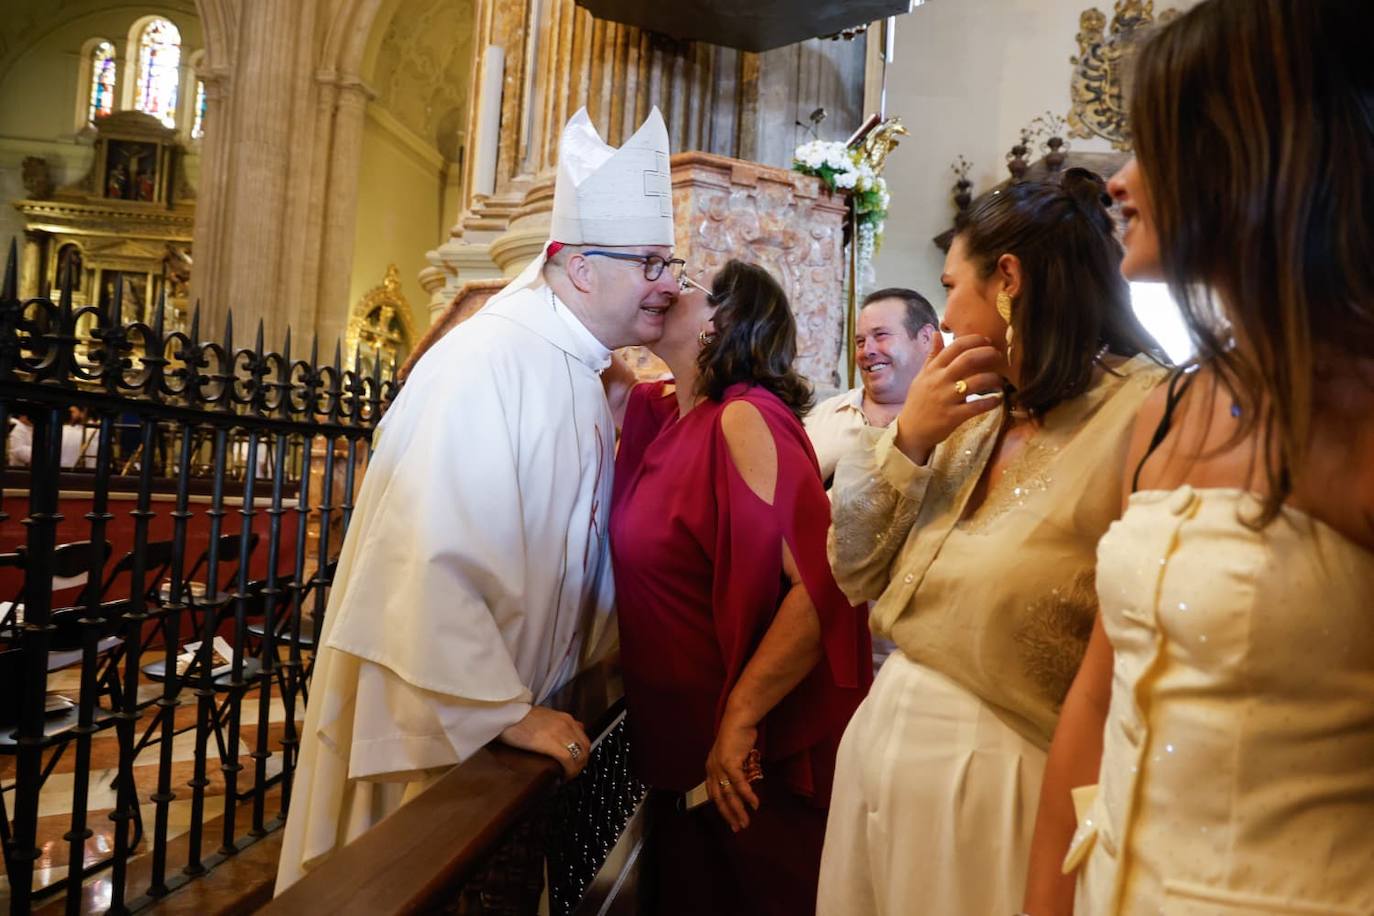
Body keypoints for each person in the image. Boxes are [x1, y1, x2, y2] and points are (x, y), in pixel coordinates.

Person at [1022, 2, 1374, 913]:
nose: (1121, 182)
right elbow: (1099, 701)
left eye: (1156, 148)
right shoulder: (1169, 410)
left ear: (1258, 157)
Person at [275, 107, 680, 892]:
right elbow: (424, 553)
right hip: (441, 732)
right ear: (582, 266)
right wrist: (503, 709)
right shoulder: (491, 361)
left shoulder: (576, 367)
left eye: (670, 264)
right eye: (651, 264)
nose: (667, 286)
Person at [816, 169, 1168, 915]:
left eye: (950, 287)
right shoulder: (971, 409)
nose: (942, 316)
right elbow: (853, 568)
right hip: (885, 748)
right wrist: (907, 438)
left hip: (1004, 780)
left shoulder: (1144, 413)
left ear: (1007, 279)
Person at [604, 259, 871, 916]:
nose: (669, 288)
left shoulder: (746, 417)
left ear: (724, 321)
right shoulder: (657, 410)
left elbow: (822, 584)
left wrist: (741, 718)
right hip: (672, 754)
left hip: (746, 764)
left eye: (687, 286)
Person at [805, 287, 939, 486]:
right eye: (860, 342)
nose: (866, 351)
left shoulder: (971, 419)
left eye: (881, 335)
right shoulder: (821, 417)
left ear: (926, 338)